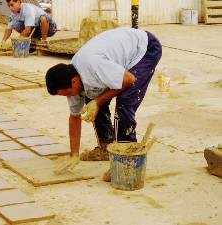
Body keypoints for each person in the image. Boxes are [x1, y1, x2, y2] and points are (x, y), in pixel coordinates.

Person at [45, 27, 162, 173]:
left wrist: (98, 102)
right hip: (120, 53)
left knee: (124, 101)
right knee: (91, 100)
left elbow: (128, 80)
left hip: (145, 49)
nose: (69, 97)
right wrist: (74, 154)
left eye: (67, 93)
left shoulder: (94, 67)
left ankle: (127, 159)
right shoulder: (73, 79)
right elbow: (75, 116)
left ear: (74, 81)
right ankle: (107, 147)